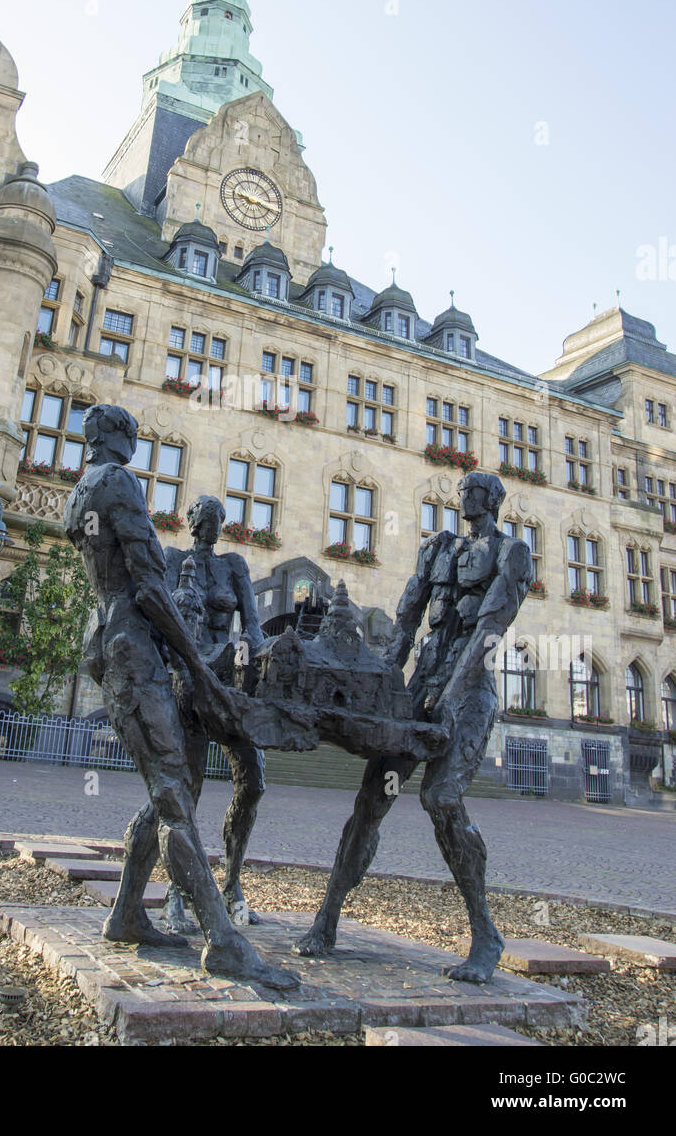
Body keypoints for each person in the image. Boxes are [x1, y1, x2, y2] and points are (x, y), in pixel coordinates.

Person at [64, 404, 297, 990]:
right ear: (121, 439)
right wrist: (194, 660)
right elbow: (148, 583)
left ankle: (125, 913)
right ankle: (223, 942)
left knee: (171, 785)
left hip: (108, 637)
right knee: (175, 794)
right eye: (134, 437)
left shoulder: (79, 489)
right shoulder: (117, 481)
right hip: (133, 647)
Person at [293, 471, 532, 984]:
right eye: (463, 488)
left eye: (477, 489)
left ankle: (485, 935)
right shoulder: (438, 550)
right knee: (370, 801)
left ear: (492, 500)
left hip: (466, 695)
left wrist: (447, 697)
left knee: (441, 799)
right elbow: (405, 622)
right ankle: (327, 918)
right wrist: (379, 685)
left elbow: (489, 629)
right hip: (420, 689)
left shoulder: (512, 552)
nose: (466, 494)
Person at [163, 495, 265, 927]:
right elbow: (163, 613)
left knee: (254, 780)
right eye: (204, 518)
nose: (212, 525)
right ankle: (177, 891)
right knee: (189, 785)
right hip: (187, 675)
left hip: (226, 677)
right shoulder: (173, 560)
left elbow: (254, 623)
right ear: (190, 523)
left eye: (218, 518)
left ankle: (232, 882)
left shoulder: (234, 566)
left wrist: (250, 651)